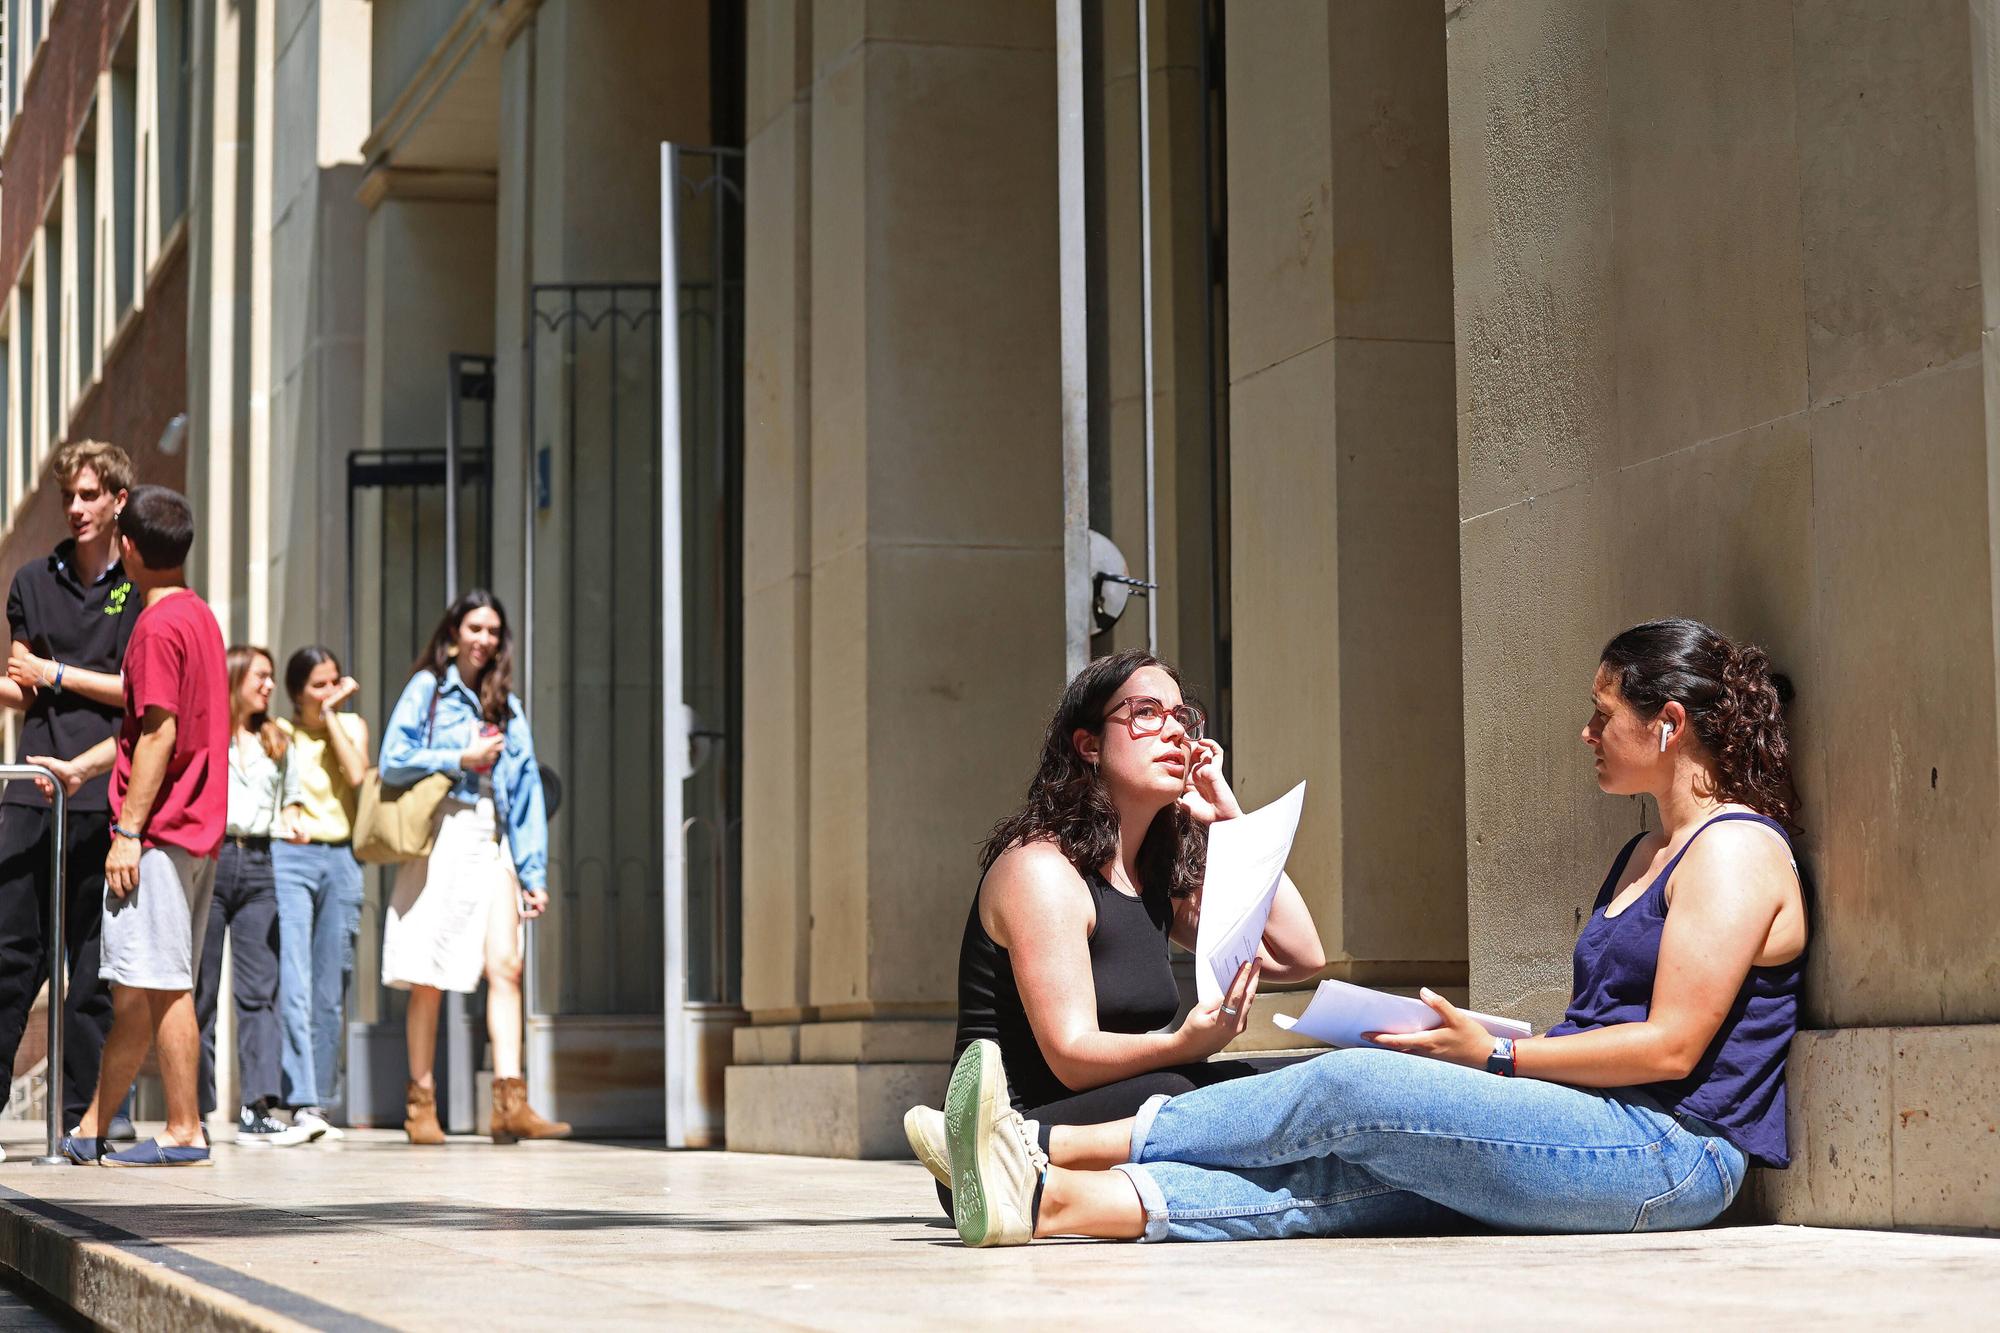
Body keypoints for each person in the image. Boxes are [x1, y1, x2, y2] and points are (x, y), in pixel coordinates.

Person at [942, 618, 1809, 1247]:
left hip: (1672, 1155)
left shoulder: (1732, 850)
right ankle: (1048, 1201)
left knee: (1355, 1086)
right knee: (1348, 1173)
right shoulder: (1646, 851)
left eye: (1603, 713)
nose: (1586, 733)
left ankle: (1039, 1145)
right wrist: (1501, 1046)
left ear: (1669, 724)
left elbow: (1669, 1048)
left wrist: (1497, 1056)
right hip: (1598, 1123)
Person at [904, 650, 1327, 1201]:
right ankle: (1002, 1160)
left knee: (1282, 1083)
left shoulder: (1153, 878)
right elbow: (1073, 1058)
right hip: (1016, 1137)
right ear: (1090, 744)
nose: (1176, 732)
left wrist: (1230, 820)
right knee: (1191, 1091)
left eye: (1182, 716)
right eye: (1147, 712)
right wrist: (1184, 1043)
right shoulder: (1042, 870)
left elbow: (1299, 956)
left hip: (1120, 1119)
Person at [38, 486, 227, 1167]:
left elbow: (159, 732)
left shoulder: (153, 625)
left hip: (161, 832)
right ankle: (90, 1125)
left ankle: (184, 1127)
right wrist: (87, 767)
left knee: (164, 980)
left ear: (129, 547)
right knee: (142, 988)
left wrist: (127, 830)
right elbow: (144, 727)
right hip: (197, 828)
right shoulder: (199, 616)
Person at [378, 590, 568, 1145]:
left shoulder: (507, 703)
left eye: (492, 631)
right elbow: (392, 759)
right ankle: (421, 1104)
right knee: (430, 975)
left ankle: (510, 1103)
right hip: (445, 831)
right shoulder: (429, 690)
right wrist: (457, 758)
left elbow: (528, 788)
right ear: (454, 632)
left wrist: (534, 874)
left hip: (494, 836)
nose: (484, 639)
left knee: (506, 967)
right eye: (474, 628)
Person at [0, 442, 139, 1158]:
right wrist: (37, 679)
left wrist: (57, 671)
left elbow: (140, 696)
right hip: (31, 797)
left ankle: (89, 1120)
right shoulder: (31, 580)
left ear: (119, 500)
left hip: (106, 798)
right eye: (70, 497)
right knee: (9, 957)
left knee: (94, 973)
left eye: (90, 495)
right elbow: (20, 685)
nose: (77, 508)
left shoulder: (139, 592)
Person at [190, 646, 306, 1145]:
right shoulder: (205, 733)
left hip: (260, 864)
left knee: (260, 991)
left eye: (271, 677)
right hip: (211, 861)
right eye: (261, 675)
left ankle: (257, 1107)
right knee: (200, 990)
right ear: (235, 677)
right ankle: (191, 1108)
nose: (268, 685)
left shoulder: (278, 740)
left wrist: (295, 820)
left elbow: (293, 802)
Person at [271, 645, 369, 1141]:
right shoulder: (279, 733)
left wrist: (331, 715)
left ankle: (322, 1105)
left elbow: (357, 777)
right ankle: (300, 1098)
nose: (329, 691)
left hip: (343, 857)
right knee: (295, 977)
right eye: (318, 685)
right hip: (292, 857)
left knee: (333, 986)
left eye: (335, 681)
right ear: (296, 692)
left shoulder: (351, 728)